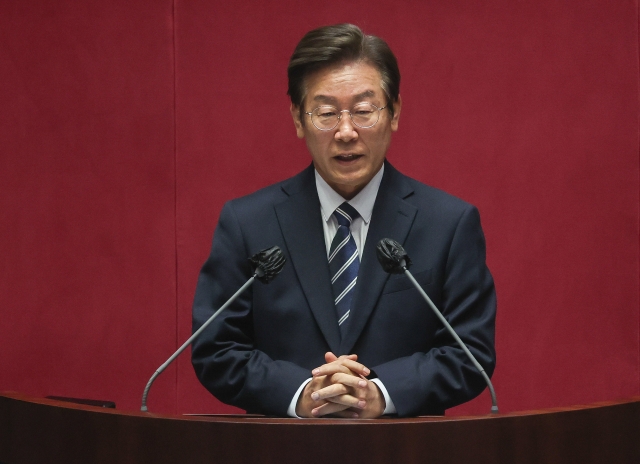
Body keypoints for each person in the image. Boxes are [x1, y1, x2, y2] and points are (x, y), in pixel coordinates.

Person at [191, 23, 496, 418]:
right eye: (327, 113)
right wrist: (303, 393)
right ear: (299, 120)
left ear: (395, 113)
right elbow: (215, 348)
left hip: (405, 450)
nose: (347, 131)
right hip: (279, 450)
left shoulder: (449, 224)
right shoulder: (248, 223)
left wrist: (379, 394)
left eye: (364, 111)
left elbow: (470, 351)